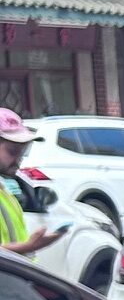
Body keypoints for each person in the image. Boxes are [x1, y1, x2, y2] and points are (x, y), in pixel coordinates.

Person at [0, 109, 61, 258]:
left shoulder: (6, 193)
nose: (18, 160)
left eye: (23, 152)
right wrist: (29, 246)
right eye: (12, 151)